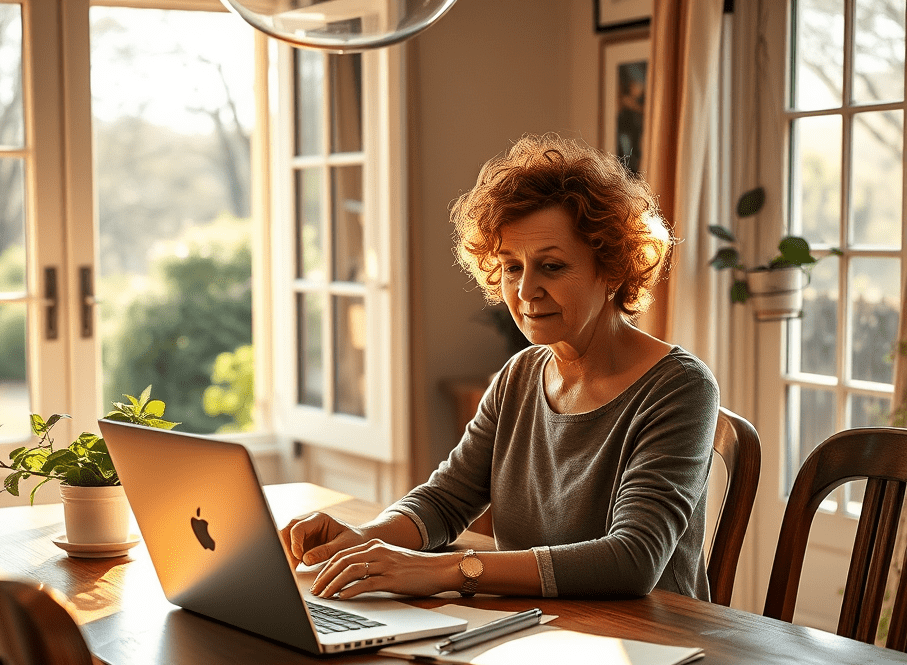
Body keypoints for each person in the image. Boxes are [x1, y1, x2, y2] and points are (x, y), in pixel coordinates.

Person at [281, 133, 719, 602]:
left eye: (551, 267)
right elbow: (446, 501)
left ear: (613, 268)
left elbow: (632, 560)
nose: (526, 291)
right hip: (534, 627)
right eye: (512, 267)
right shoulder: (519, 376)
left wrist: (446, 570)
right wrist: (365, 538)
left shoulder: (680, 387)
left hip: (654, 649)